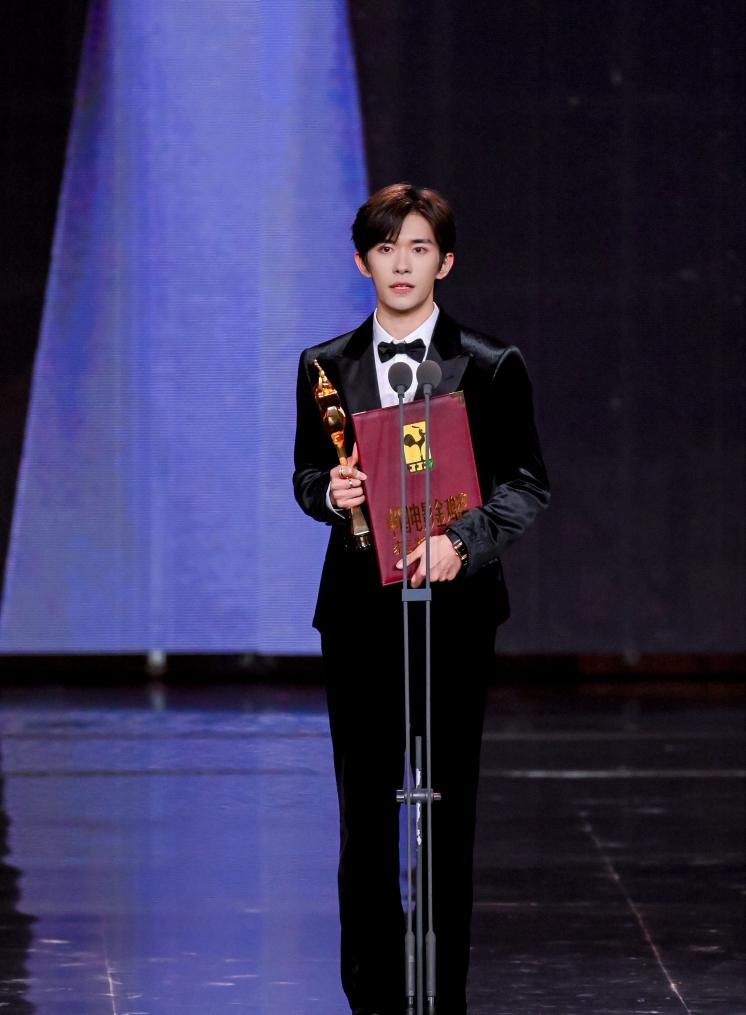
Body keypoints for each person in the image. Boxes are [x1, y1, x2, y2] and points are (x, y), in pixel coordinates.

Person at [293, 183, 549, 1015]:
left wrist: (461, 542)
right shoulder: (325, 366)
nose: (401, 264)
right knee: (365, 815)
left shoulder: (490, 363)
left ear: (445, 261)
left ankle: (440, 996)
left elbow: (525, 484)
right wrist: (330, 492)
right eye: (385, 248)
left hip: (455, 613)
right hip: (359, 613)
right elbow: (306, 473)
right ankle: (371, 994)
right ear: (360, 261)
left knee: (446, 812)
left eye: (417, 247)